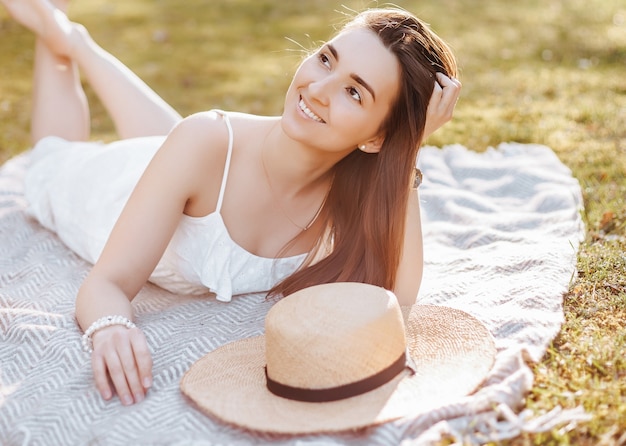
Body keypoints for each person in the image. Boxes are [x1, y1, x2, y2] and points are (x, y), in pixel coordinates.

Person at [1, 0, 460, 406]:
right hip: (111, 193)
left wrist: (408, 155)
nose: (318, 89)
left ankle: (74, 39)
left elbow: (394, 304)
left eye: (354, 92)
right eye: (325, 59)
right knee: (53, 156)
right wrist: (110, 328)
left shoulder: (353, 197)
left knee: (182, 139)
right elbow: (107, 282)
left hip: (193, 166)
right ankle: (63, 36)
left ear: (378, 138)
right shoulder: (205, 144)